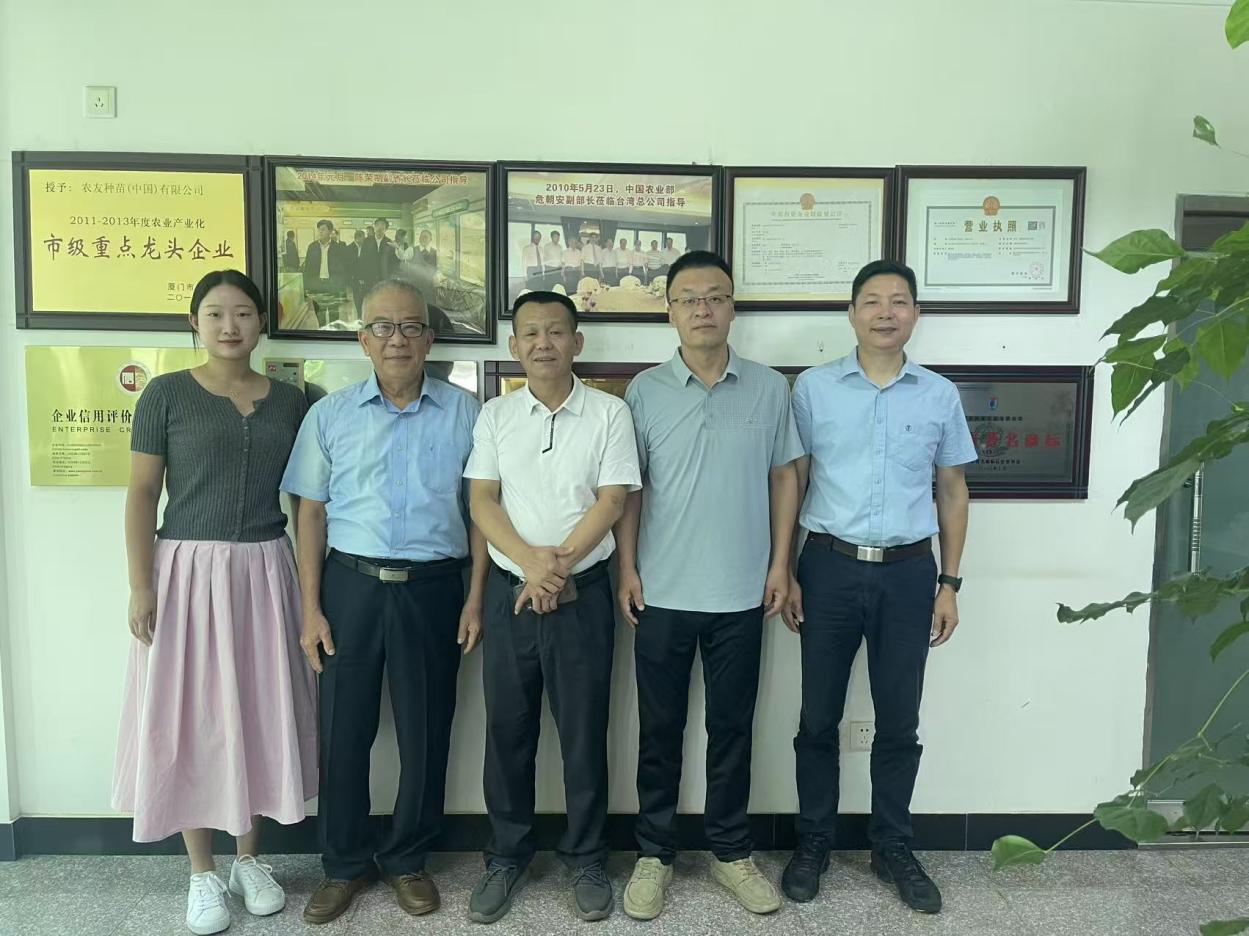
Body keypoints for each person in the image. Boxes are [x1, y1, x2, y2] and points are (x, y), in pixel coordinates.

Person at [113, 269, 317, 936]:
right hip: (186, 574)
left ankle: (248, 860)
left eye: (243, 313)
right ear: (194, 323)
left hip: (265, 570)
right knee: (192, 717)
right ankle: (202, 871)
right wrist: (142, 584)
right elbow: (142, 494)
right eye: (215, 313)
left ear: (262, 323)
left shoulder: (293, 402)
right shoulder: (166, 395)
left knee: (256, 710)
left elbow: (305, 503)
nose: (230, 326)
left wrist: (309, 591)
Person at [281, 278, 487, 925]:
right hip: (350, 587)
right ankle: (343, 864)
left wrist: (475, 598)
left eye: (410, 327)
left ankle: (407, 859)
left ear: (430, 338)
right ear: (362, 339)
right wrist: (310, 609)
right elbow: (309, 515)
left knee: (427, 731)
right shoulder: (330, 415)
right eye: (382, 327)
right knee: (343, 732)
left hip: (435, 588)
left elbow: (483, 513)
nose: (397, 339)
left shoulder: (467, 414)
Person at [780, 259, 975, 915]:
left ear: (915, 313)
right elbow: (794, 480)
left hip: (909, 573)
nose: (885, 312)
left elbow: (952, 488)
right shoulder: (813, 389)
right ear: (851, 313)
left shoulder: (938, 394)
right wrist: (786, 568)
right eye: (872, 300)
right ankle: (813, 840)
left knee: (899, 719)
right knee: (817, 717)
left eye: (898, 301)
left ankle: (891, 845)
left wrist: (949, 583)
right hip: (828, 567)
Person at [616, 250, 802, 920]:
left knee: (731, 730)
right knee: (659, 732)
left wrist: (780, 564)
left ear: (732, 308)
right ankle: (653, 855)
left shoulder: (769, 388)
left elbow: (785, 477)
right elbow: (630, 489)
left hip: (742, 592)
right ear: (669, 310)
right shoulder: (644, 391)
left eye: (715, 296)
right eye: (688, 298)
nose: (702, 308)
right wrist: (627, 567)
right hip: (661, 591)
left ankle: (730, 852)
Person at [464, 290, 641, 924]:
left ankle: (587, 856)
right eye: (531, 333)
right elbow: (482, 501)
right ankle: (506, 856)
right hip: (510, 594)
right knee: (506, 733)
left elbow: (612, 500)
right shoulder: (495, 415)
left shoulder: (609, 413)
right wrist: (532, 567)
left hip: (583, 595)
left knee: (583, 734)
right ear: (514, 346)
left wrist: (557, 566)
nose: (544, 343)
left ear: (576, 342)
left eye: (557, 331)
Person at [303, 220, 348, 320]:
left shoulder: (338, 248)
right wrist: (306, 288)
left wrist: (341, 287)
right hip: (317, 286)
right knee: (320, 316)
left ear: (330, 231)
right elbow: (308, 269)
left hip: (333, 286)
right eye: (319, 229)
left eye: (323, 229)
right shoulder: (312, 247)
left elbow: (343, 270)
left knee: (334, 316)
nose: (320, 232)